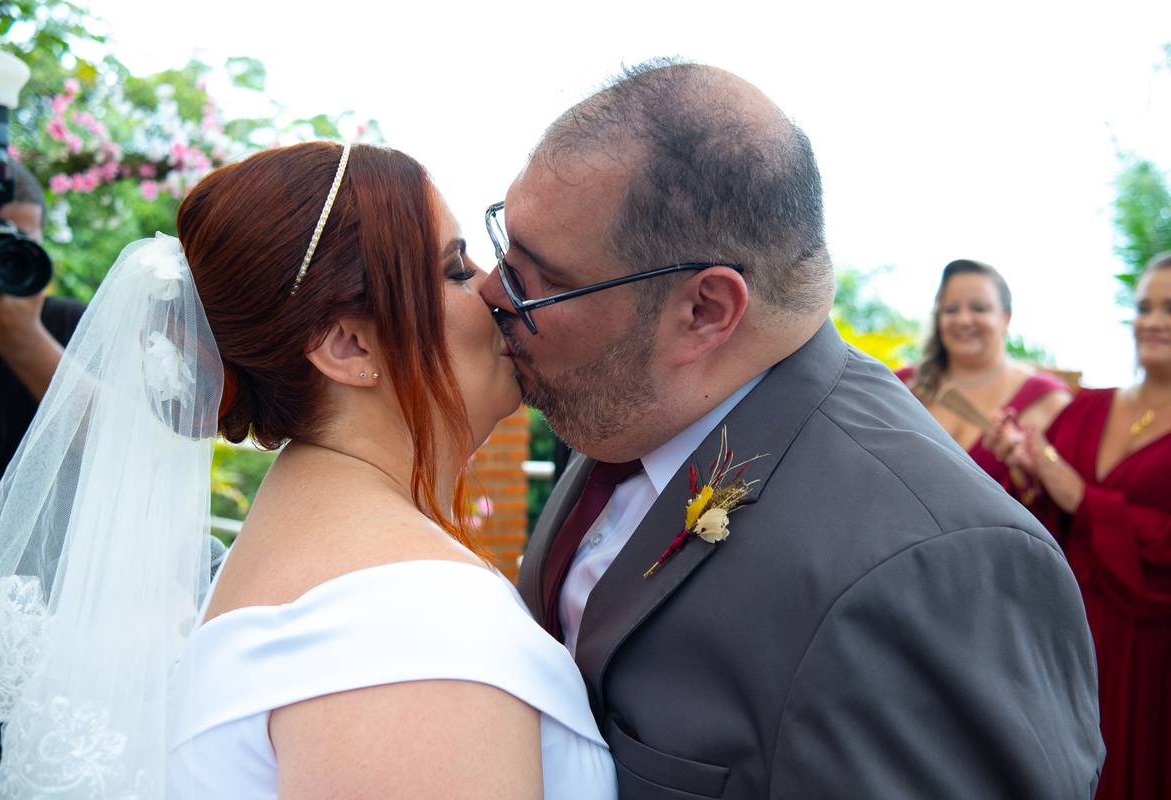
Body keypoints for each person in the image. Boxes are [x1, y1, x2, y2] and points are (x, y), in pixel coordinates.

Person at [480, 59, 1105, 798]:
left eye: (540, 279)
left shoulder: (931, 566)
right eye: (502, 249)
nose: (491, 291)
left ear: (705, 311)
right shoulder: (628, 406)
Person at [0, 142, 616, 799]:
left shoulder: (294, 550)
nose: (494, 287)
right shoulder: (410, 623)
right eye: (455, 270)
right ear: (349, 345)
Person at [991, 252, 1171, 800]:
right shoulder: (1085, 409)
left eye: (1170, 308)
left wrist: (1086, 500)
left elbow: (1078, 497)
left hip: (1150, 644)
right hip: (1066, 628)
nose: (1152, 321)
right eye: (1144, 307)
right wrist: (1025, 471)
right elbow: (1045, 511)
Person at [0, 162, 86, 800]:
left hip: (26, 635)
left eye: (18, 243)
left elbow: (130, 447)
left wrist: (25, 343)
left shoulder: (71, 327)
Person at [895, 258, 1070, 487]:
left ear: (1006, 317)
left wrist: (1029, 469)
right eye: (951, 309)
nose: (963, 320)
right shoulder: (899, 385)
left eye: (979, 308)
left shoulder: (1048, 398)